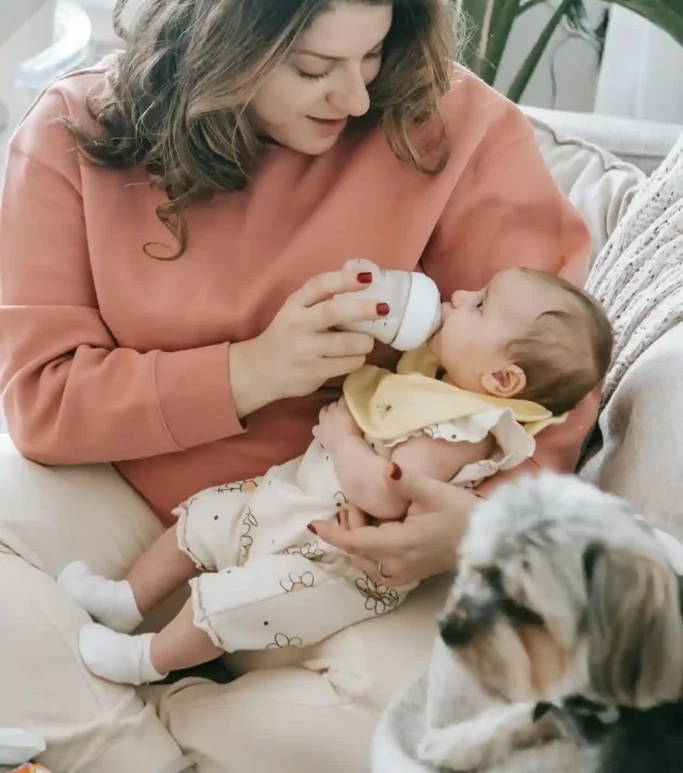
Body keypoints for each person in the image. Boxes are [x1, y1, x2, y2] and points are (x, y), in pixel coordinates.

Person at [0, 0, 598, 773]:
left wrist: (471, 530)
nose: (355, 97)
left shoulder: (455, 129)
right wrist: (252, 371)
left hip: (350, 544)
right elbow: (40, 402)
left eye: (372, 54)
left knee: (426, 724)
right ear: (216, 43)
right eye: (316, 66)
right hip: (124, 506)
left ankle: (137, 730)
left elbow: (549, 388)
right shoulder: (76, 135)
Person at [57, 266, 611, 690]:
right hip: (292, 504)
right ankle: (124, 599)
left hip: (334, 564)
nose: (461, 295)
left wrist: (344, 438)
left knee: (235, 605)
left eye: (481, 305)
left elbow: (386, 494)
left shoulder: (466, 429)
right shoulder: (440, 380)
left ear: (502, 379)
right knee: (202, 518)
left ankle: (143, 661)